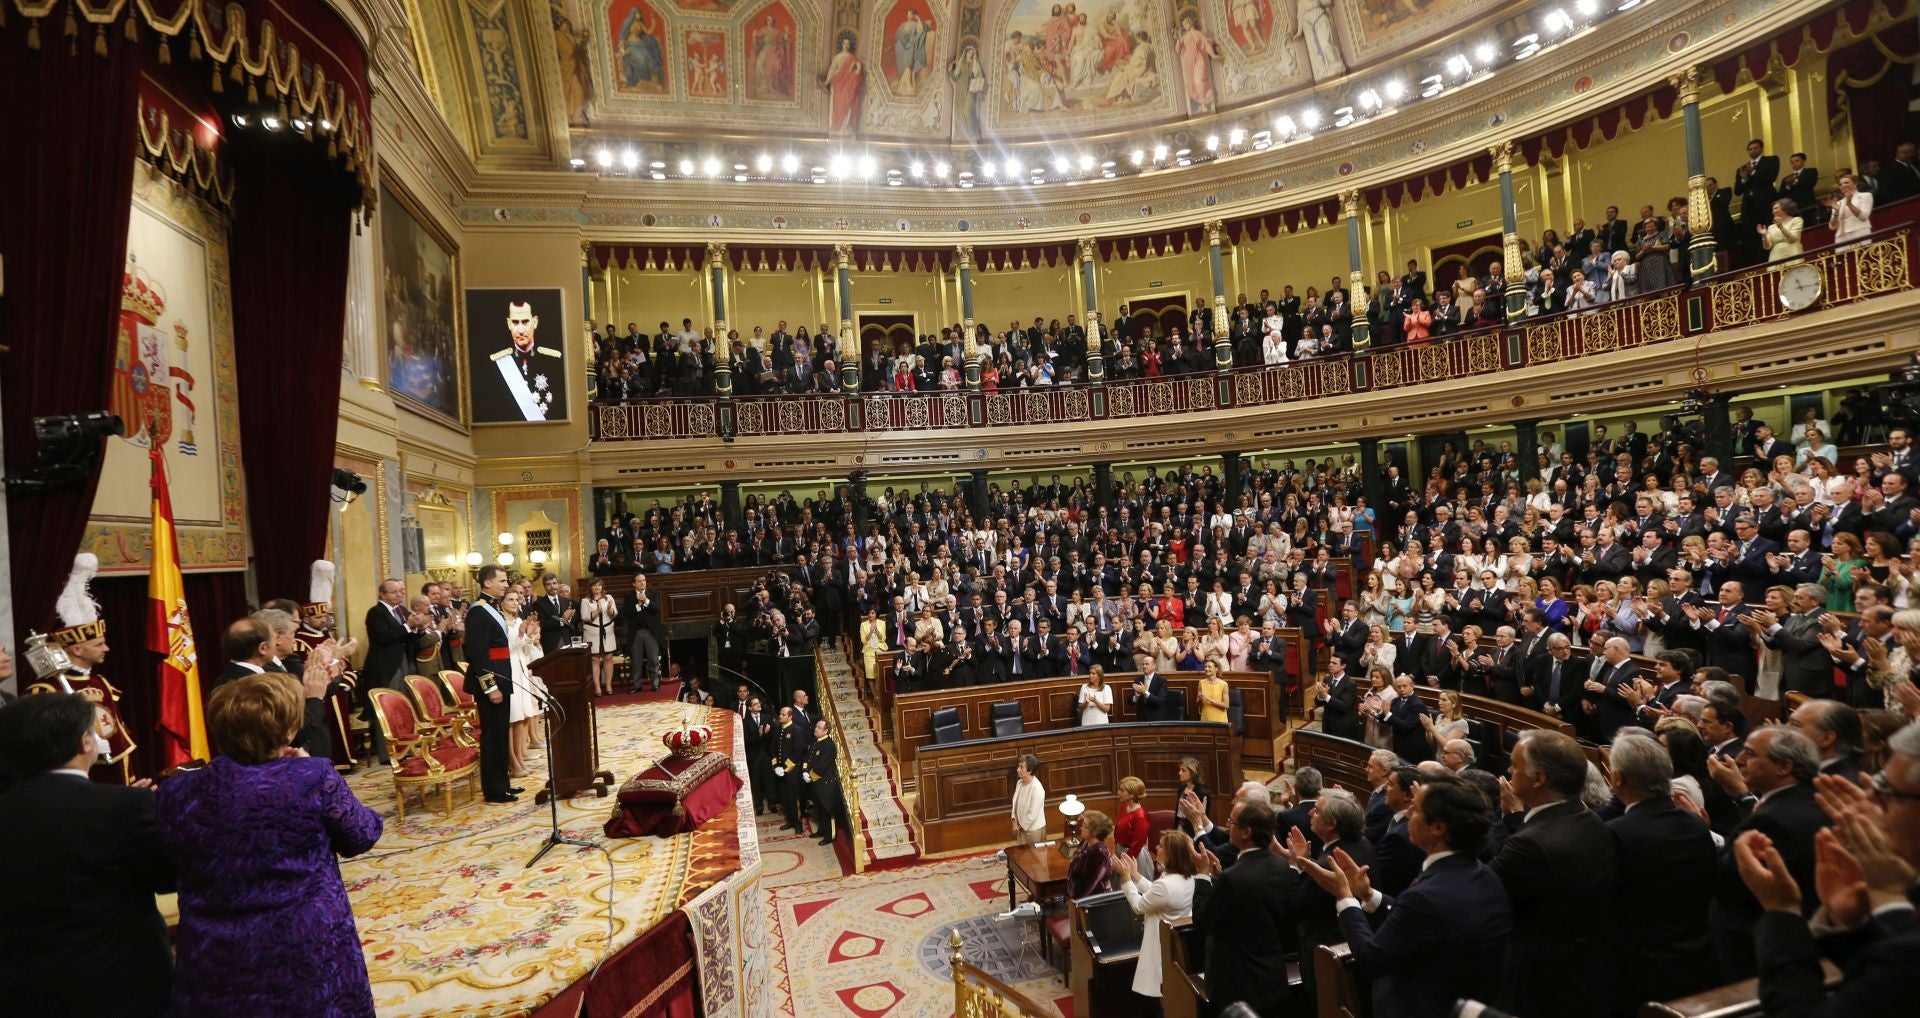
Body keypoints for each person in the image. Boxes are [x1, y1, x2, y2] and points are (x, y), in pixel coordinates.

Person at [156, 672, 383, 1016]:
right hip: (306, 947)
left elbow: (166, 871)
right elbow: (361, 835)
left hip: (216, 955)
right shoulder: (312, 775)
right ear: (289, 730)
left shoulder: (176, 791)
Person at [0, 692, 175, 1016]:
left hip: (23, 989)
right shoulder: (126, 807)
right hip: (121, 984)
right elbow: (168, 878)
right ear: (85, 743)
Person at [1300, 775, 1513, 1018]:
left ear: (1438, 827)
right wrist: (1368, 894)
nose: (1408, 813)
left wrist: (1345, 898)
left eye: (1416, 808)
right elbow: (1423, 920)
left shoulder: (1426, 896)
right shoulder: (1485, 875)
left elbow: (1371, 959)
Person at [1492, 730, 1620, 1018]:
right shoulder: (1591, 819)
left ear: (1538, 779)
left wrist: (1511, 819)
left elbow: (1484, 894)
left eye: (1514, 766)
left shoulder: (1528, 843)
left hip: (1541, 984)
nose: (1509, 771)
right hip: (1589, 970)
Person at [1605, 729, 1721, 1006]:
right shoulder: (1695, 823)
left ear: (1617, 779)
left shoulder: (1614, 833)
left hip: (1642, 968)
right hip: (1698, 957)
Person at [1190, 800, 1296, 1017]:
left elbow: (1201, 922)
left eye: (1232, 823)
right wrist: (1218, 877)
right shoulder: (1282, 866)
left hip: (1237, 984)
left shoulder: (1232, 878)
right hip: (1272, 975)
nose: (1229, 826)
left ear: (1246, 832)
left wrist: (1202, 875)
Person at [1116, 831, 1199, 999]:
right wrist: (1136, 875)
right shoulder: (1188, 877)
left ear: (1170, 854)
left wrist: (1126, 879)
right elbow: (1157, 893)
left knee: (1162, 988)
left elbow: (1139, 906)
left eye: (1161, 846)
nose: (1156, 848)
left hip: (1161, 942)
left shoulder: (1165, 885)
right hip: (1177, 940)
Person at [464, 565, 522, 803]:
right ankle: (494, 789)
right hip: (492, 683)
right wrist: (490, 687)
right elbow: (477, 654)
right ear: (487, 583)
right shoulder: (478, 611)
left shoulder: (491, 607)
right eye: (502, 580)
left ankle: (503, 783)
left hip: (502, 676)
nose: (506, 584)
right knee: (493, 736)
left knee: (500, 735)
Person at [804, 718, 844, 846]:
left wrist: (809, 775)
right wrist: (804, 769)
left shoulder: (829, 745)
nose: (816, 729)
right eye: (816, 727)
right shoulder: (816, 742)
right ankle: (821, 830)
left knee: (827, 809)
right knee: (819, 808)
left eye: (819, 728)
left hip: (826, 783)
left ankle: (830, 835)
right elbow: (808, 757)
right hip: (816, 782)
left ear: (826, 731)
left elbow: (822, 765)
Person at [580, 578, 619, 696]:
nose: (597, 588)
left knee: (608, 658)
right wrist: (597, 611)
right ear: (590, 588)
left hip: (607, 632)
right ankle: (597, 686)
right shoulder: (585, 601)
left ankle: (608, 684)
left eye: (599, 586)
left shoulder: (609, 598)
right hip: (592, 634)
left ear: (602, 587)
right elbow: (585, 617)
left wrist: (609, 609)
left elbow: (614, 614)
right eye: (594, 586)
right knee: (595, 660)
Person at [1825, 172, 1874, 246]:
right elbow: (1832, 227)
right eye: (1840, 184)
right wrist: (1836, 212)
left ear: (1856, 183)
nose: (1843, 185)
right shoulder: (1838, 203)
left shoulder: (1865, 196)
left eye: (1846, 182)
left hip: (1859, 232)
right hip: (1841, 237)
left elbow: (1864, 217)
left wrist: (1849, 204)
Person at [1114, 775, 1151, 867]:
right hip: (1121, 850)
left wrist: (1125, 861)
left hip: (1133, 857)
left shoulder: (1140, 816)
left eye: (1122, 790)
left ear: (1132, 794)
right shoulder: (1125, 807)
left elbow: (1137, 844)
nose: (1118, 792)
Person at [1011, 753, 1047, 846]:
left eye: (1021, 767)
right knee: (1022, 857)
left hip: (1033, 831)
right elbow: (1015, 804)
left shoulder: (1037, 788)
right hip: (1021, 828)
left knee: (1036, 858)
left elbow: (1032, 815)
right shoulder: (1019, 783)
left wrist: (1019, 827)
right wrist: (1014, 821)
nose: (1017, 769)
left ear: (1029, 771)